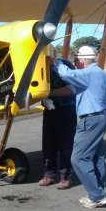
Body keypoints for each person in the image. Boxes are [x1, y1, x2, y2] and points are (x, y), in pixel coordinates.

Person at [50, 45, 106, 208]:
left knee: (78, 158)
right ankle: (98, 190)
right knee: (96, 156)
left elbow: (66, 74)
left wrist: (54, 61)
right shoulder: (101, 75)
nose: (74, 62)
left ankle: (97, 195)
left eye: (76, 59)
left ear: (83, 60)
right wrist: (49, 94)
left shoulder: (88, 73)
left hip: (90, 120)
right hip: (101, 117)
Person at [38, 58, 77, 189]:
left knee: (66, 144)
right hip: (49, 109)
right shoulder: (38, 66)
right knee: (48, 143)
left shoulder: (65, 64)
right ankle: (49, 175)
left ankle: (66, 177)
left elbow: (72, 88)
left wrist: (49, 93)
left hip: (66, 109)